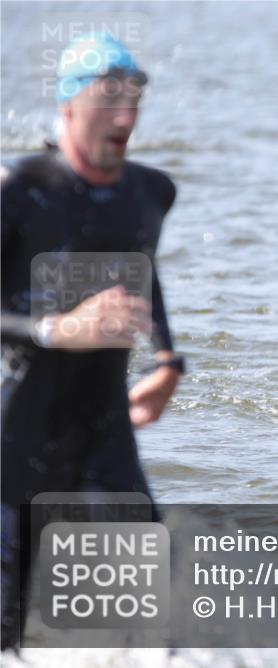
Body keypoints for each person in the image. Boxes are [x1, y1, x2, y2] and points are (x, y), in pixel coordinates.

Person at [0, 34, 184, 650]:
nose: (124, 115)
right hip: (18, 439)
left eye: (134, 98)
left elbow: (142, 267)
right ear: (68, 105)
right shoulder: (19, 189)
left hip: (105, 431)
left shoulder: (150, 192)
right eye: (108, 98)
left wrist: (167, 360)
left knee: (154, 625)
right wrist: (58, 330)